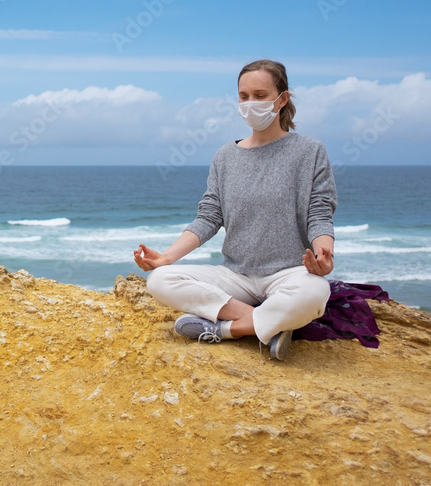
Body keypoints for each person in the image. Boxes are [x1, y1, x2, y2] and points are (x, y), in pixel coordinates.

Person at [133, 59, 336, 361]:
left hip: (289, 273)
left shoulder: (310, 151)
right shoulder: (225, 156)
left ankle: (228, 329)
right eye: (244, 96)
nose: (250, 103)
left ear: (282, 99)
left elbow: (319, 213)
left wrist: (324, 255)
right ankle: (270, 323)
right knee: (160, 281)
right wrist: (165, 258)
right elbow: (209, 216)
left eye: (260, 95)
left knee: (316, 292)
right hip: (235, 275)